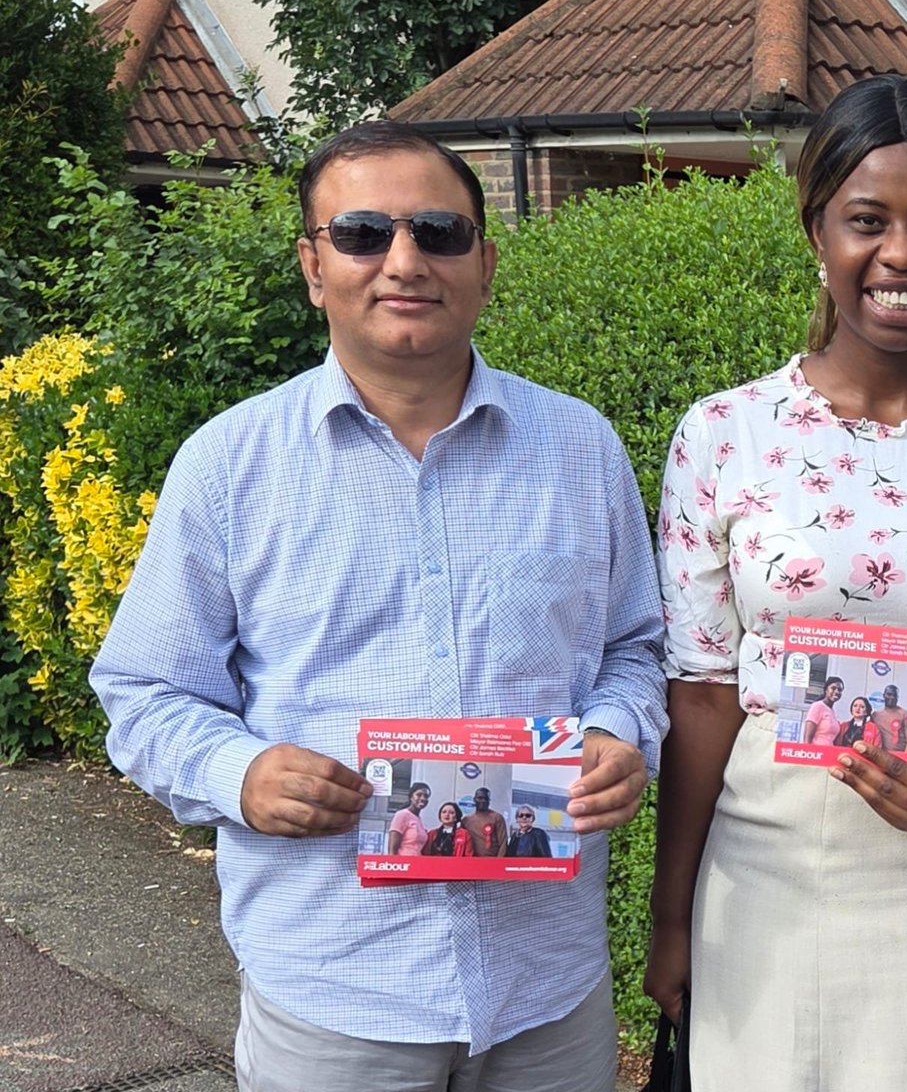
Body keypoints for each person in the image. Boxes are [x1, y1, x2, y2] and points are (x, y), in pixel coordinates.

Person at [90, 121, 667, 1092]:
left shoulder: (580, 450)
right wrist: (241, 774)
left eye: (438, 233)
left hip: (547, 994)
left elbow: (634, 648)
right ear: (314, 267)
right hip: (335, 992)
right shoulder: (229, 469)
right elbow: (144, 691)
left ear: (484, 263)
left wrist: (616, 731)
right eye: (362, 234)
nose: (404, 260)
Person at [647, 74, 907, 1092]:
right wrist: (670, 915)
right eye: (866, 220)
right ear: (816, 230)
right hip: (767, 888)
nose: (901, 254)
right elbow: (698, 695)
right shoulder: (723, 435)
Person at [461, 786, 509, 857]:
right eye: (480, 798)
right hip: (472, 861)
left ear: (489, 801)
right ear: (474, 800)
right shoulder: (466, 820)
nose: (483, 801)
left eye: (485, 799)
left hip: (492, 861)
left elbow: (503, 843)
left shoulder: (497, 817)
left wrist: (498, 862)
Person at [387, 781, 431, 855]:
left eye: (426, 796)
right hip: (403, 863)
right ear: (411, 797)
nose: (423, 798)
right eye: (419, 795)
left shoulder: (419, 819)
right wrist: (394, 864)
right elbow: (392, 848)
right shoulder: (402, 815)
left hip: (416, 862)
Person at [871, 682, 907, 752]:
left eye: (895, 695)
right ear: (883, 695)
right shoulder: (875, 715)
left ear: (897, 697)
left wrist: (906, 756)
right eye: (889, 694)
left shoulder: (905, 714)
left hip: (899, 756)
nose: (891, 697)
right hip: (880, 755)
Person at [801, 676, 843, 744]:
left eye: (839, 690)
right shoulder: (817, 706)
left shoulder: (832, 712)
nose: (836, 691)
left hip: (828, 752)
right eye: (833, 688)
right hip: (816, 752)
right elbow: (807, 737)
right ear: (826, 690)